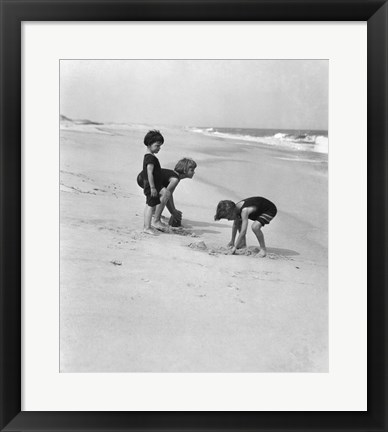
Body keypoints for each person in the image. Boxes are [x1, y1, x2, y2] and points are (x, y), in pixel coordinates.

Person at [137, 158, 197, 227]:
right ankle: (156, 220)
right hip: (145, 179)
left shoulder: (172, 175)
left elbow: (169, 195)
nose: (194, 172)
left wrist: (173, 209)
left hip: (142, 177)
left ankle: (153, 212)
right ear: (184, 170)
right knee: (165, 193)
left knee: (162, 192)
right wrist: (173, 211)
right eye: (192, 170)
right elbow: (167, 196)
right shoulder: (175, 179)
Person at [141, 130, 165, 235]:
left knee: (149, 205)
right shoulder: (150, 158)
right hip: (151, 186)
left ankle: (146, 225)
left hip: (151, 186)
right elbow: (149, 173)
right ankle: (147, 227)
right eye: (157, 146)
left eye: (160, 146)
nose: (159, 148)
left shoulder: (149, 156)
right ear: (149, 144)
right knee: (151, 206)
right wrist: (153, 187)